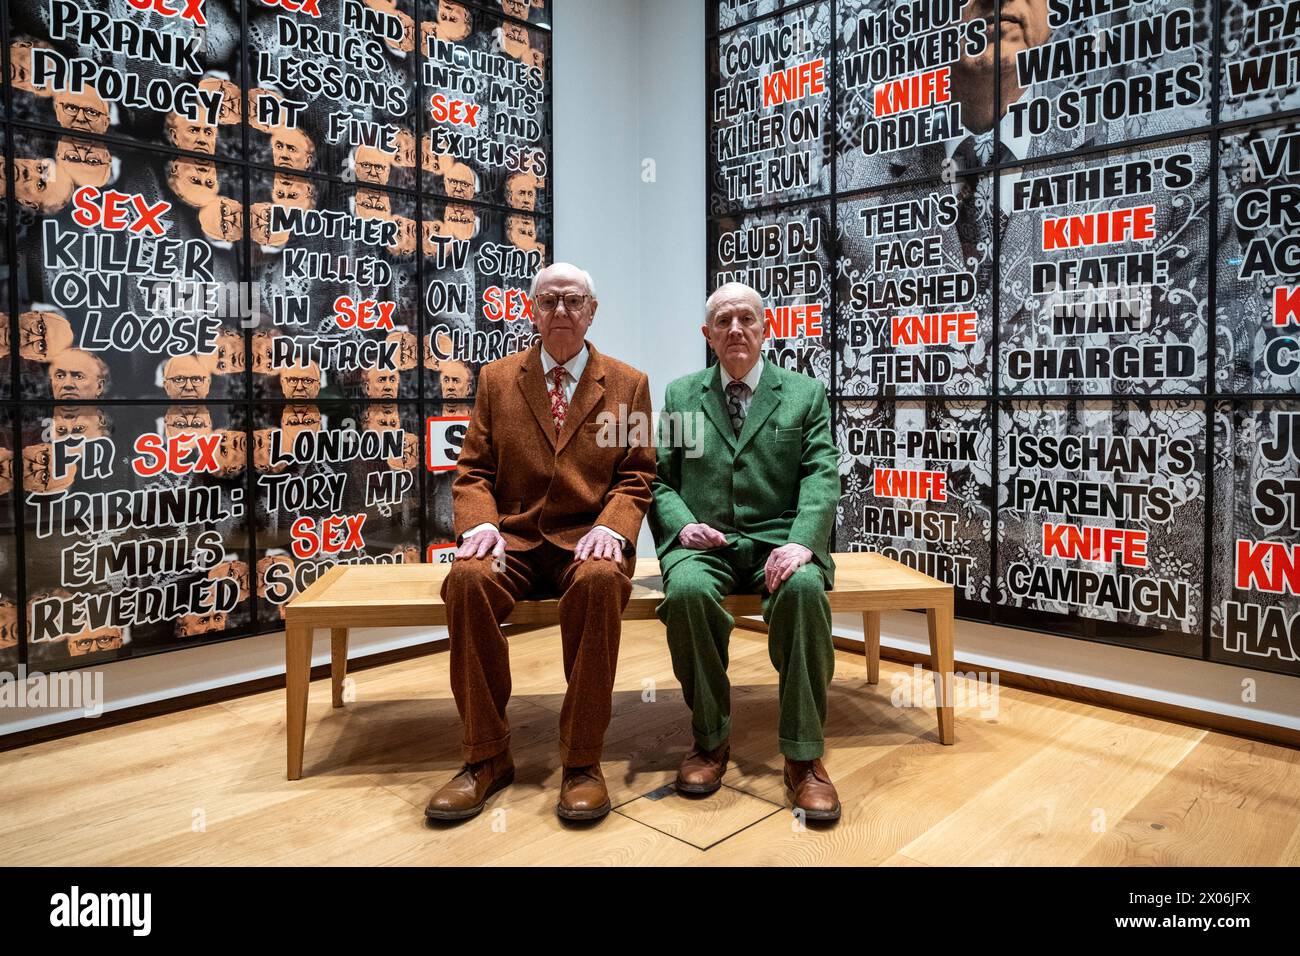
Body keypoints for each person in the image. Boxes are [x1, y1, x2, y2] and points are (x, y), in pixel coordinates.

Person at [426, 262, 655, 823]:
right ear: (532, 309)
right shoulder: (496, 380)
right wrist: (480, 525)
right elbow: (473, 470)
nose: (561, 311)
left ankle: (582, 761)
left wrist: (612, 527)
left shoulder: (629, 384)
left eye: (573, 301)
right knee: (466, 579)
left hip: (589, 542)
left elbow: (639, 475)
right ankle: (485, 755)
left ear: (592, 311)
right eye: (549, 301)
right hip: (516, 541)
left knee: (603, 581)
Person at [651, 282, 842, 821]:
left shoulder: (805, 394)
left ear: (766, 327)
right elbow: (659, 480)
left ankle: (804, 758)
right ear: (708, 335)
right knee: (686, 593)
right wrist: (682, 526)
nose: (736, 329)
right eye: (724, 320)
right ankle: (709, 739)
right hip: (704, 542)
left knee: (804, 592)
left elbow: (821, 477)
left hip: (779, 541)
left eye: (747, 319)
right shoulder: (681, 395)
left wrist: (803, 542)